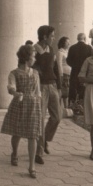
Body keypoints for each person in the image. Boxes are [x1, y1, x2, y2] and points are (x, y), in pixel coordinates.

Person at [0, 45, 42, 179]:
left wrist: (39, 103)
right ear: (26, 58)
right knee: (17, 132)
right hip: (19, 103)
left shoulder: (35, 73)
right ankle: (15, 153)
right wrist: (15, 93)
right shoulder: (14, 73)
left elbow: (38, 91)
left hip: (33, 105)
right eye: (33, 56)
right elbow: (10, 87)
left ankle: (31, 166)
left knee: (33, 135)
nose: (35, 58)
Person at [32, 25, 61, 162]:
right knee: (40, 118)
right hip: (41, 87)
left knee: (57, 116)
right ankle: (39, 152)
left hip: (53, 85)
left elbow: (55, 68)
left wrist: (59, 86)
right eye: (52, 36)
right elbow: (30, 68)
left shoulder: (51, 49)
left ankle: (45, 141)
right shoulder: (33, 50)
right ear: (44, 37)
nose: (53, 38)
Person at [67, 33, 92, 105]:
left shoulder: (72, 47)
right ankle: (82, 105)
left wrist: (74, 66)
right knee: (83, 89)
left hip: (74, 71)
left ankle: (72, 105)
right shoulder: (89, 48)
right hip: (85, 72)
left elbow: (68, 60)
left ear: (77, 39)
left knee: (73, 89)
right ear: (85, 39)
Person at [56, 37, 71, 111]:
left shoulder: (67, 51)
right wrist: (60, 74)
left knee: (67, 91)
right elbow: (59, 64)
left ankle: (66, 108)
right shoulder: (60, 52)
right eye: (67, 42)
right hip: (63, 73)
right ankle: (59, 108)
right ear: (63, 43)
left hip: (69, 73)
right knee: (62, 91)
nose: (69, 43)